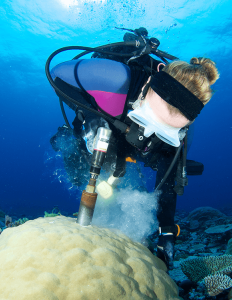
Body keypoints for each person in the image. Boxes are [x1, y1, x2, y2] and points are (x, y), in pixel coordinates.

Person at [49, 46, 219, 269]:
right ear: (148, 87)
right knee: (78, 166)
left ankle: (118, 169)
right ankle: (71, 138)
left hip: (130, 150)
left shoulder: (179, 140)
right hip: (107, 123)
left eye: (164, 131)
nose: (148, 134)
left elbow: (166, 184)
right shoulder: (118, 78)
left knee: (140, 164)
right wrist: (92, 116)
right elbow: (56, 73)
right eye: (149, 120)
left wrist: (166, 232)